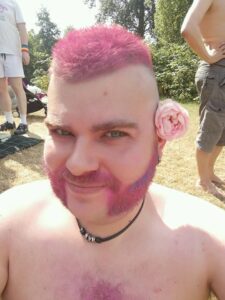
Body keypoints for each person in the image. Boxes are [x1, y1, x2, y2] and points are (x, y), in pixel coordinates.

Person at [0, 25, 225, 299]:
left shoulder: (209, 241)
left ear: (159, 141)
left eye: (113, 134)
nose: (79, 164)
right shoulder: (8, 225)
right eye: (62, 132)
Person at [181, 0, 225, 198]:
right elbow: (187, 28)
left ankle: (210, 172)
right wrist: (209, 56)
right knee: (211, 128)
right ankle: (202, 179)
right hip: (216, 73)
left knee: (222, 132)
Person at [0, 0, 30, 135]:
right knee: (1, 89)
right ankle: (9, 121)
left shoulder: (12, 3)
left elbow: (22, 27)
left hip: (12, 50)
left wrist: (25, 49)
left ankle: (23, 122)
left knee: (17, 86)